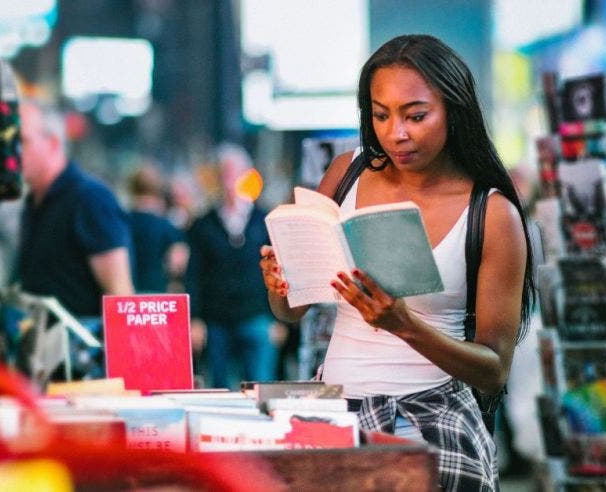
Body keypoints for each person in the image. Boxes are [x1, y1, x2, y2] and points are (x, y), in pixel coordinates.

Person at [259, 35, 535, 490]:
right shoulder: (346, 173)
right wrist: (280, 283)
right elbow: (289, 313)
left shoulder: (492, 213)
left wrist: (404, 324)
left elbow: (494, 368)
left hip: (433, 417)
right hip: (335, 410)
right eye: (380, 114)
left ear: (454, 109)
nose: (396, 133)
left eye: (416, 115)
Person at [17, 101, 134, 380]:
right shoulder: (34, 202)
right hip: (43, 366)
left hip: (84, 373)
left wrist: (121, 381)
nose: (12, 152)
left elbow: (121, 296)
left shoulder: (89, 199)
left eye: (22, 141)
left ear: (53, 142)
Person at [186, 143, 278, 390]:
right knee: (219, 388)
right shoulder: (202, 224)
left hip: (257, 316)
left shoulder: (265, 220)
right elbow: (193, 274)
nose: (228, 178)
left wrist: (279, 318)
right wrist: (194, 318)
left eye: (234, 171)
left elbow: (280, 269)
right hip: (216, 319)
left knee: (261, 388)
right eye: (223, 172)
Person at [126, 164, 189, 294]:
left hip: (127, 294)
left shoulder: (121, 222)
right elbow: (177, 265)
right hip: (157, 294)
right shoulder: (167, 227)